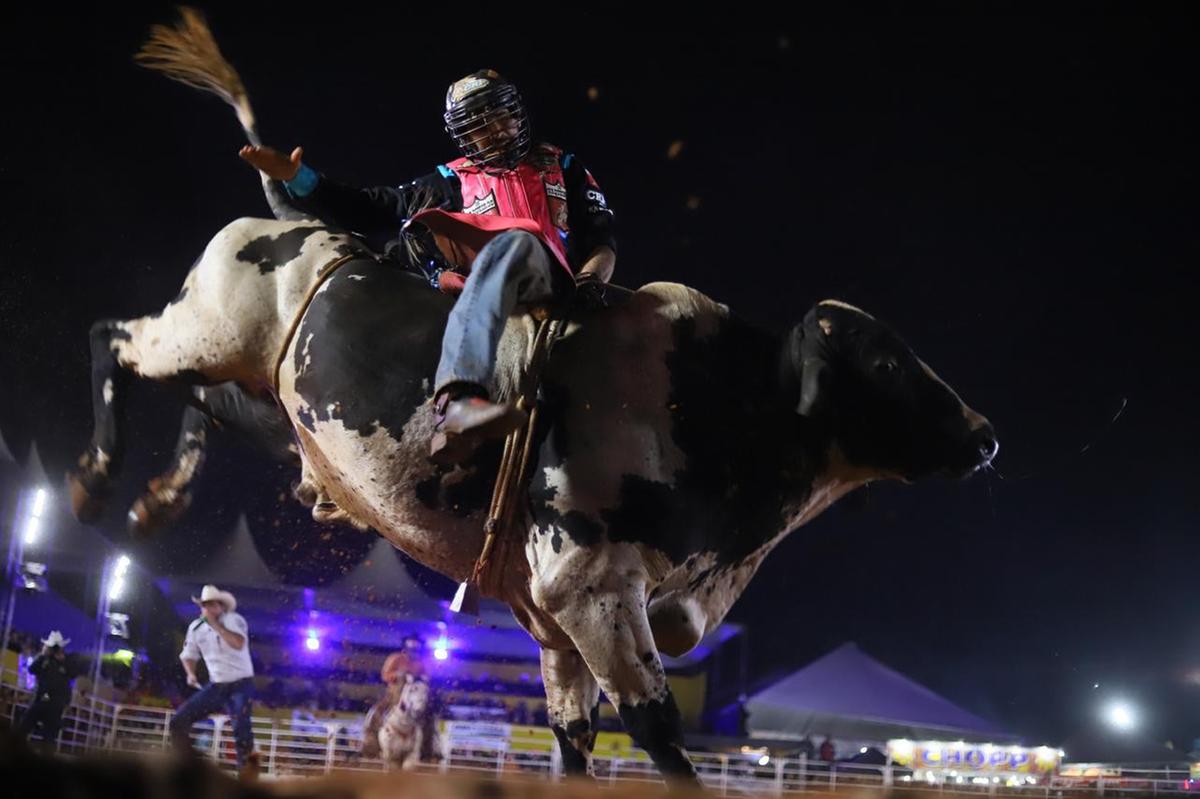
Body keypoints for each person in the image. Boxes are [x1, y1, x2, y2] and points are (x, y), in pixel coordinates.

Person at [239, 69, 617, 465]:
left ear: (517, 115)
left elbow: (601, 238)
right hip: (479, 295)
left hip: (552, 281)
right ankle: (456, 404)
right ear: (465, 136)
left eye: (503, 116)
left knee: (519, 241)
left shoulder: (563, 165)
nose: (498, 130)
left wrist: (591, 281)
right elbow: (369, 208)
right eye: (481, 126)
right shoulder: (445, 182)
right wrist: (297, 177)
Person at [168, 585, 258, 772]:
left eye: (212, 605)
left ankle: (247, 773)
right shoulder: (196, 627)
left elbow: (238, 644)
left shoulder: (234, 620)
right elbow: (188, 655)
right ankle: (188, 765)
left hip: (241, 683)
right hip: (217, 684)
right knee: (179, 721)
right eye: (205, 605)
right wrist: (191, 673)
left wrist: (215, 625)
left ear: (221, 606)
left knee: (241, 726)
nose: (208, 609)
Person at [16, 631, 82, 751]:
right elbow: (32, 669)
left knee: (49, 736)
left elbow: (74, 673)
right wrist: (42, 654)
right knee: (24, 728)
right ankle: (16, 751)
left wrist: (63, 660)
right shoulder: (44, 659)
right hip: (40, 700)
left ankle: (46, 760)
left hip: (55, 704)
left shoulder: (67, 662)